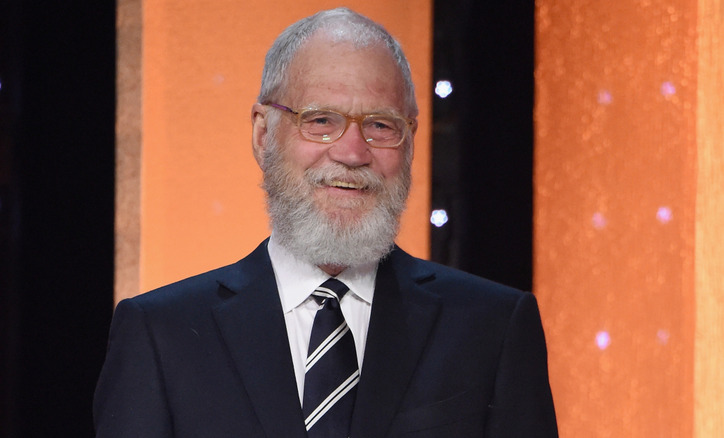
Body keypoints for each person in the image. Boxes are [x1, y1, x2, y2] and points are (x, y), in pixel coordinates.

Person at [94, 7, 557, 438]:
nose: (353, 153)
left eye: (381, 125)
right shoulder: (161, 334)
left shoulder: (492, 328)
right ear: (262, 134)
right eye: (320, 120)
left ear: (411, 141)